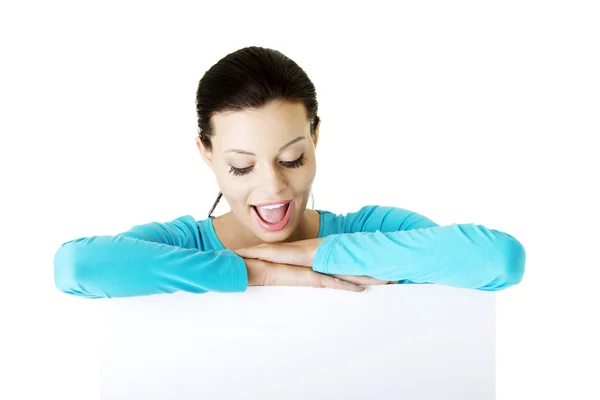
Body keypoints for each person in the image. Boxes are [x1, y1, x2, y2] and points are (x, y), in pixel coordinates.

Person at [53, 46, 526, 299]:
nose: (274, 187)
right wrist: (260, 273)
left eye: (292, 159)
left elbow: (499, 261)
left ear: (315, 138)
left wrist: (311, 253)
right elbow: (76, 268)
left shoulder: (372, 233)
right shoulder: (180, 245)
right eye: (241, 166)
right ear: (206, 154)